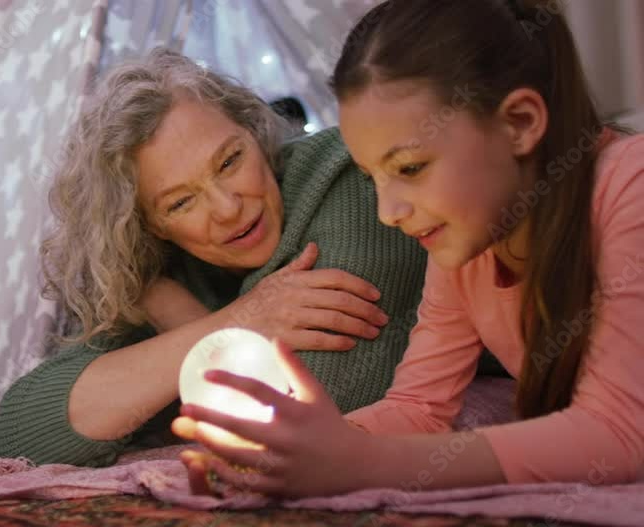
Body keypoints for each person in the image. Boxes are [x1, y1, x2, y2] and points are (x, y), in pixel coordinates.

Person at [172, 0, 644, 497]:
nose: (387, 212)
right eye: (373, 176)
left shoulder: (629, 185)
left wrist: (362, 461)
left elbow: (618, 434)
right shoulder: (467, 247)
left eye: (411, 168)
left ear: (521, 122)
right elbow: (420, 406)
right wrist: (282, 456)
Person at [0, 48, 428, 467]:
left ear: (255, 133)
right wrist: (234, 320)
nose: (227, 208)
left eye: (230, 161)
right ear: (150, 227)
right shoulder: (160, 274)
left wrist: (182, 326)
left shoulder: (348, 178)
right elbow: (23, 433)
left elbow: (307, 413)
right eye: (180, 203)